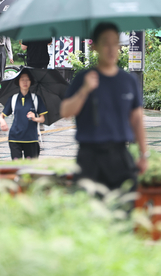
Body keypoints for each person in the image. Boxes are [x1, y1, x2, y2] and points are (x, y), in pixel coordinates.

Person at [60, 22, 148, 191]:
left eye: (115, 43)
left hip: (120, 156)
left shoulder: (128, 81)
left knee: (123, 213)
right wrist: (84, 91)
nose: (111, 48)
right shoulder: (83, 78)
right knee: (90, 215)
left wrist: (144, 154)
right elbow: (65, 111)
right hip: (89, 158)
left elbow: (137, 120)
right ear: (95, 46)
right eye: (105, 43)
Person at [0, 70, 47, 159]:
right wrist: (2, 122)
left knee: (30, 169)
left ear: (31, 82)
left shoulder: (36, 99)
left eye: (27, 80)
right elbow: (1, 116)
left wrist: (35, 118)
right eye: (22, 80)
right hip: (15, 138)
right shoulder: (13, 99)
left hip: (31, 139)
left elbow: (42, 119)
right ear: (18, 82)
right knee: (17, 167)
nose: (25, 82)